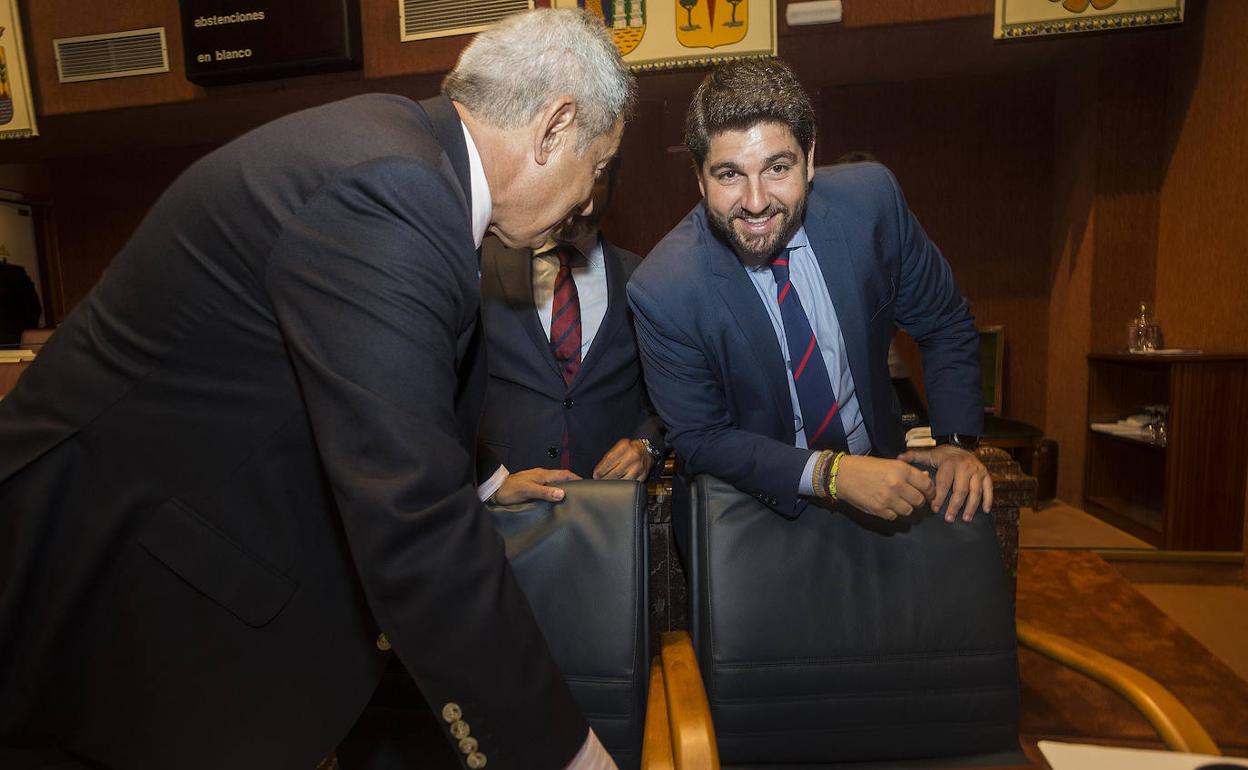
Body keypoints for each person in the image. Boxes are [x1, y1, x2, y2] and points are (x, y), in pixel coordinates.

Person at [0, 9, 632, 770]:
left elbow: (381, 386)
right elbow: (414, 522)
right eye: (598, 168)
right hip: (101, 589)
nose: (592, 202)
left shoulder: (403, 156)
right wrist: (565, 754)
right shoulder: (392, 190)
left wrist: (486, 476)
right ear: (555, 127)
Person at [627, 58, 990, 537]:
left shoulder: (871, 204)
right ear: (699, 178)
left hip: (879, 485)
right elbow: (702, 438)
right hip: (744, 512)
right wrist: (831, 474)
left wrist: (957, 442)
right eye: (729, 175)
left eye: (777, 168)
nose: (756, 202)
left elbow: (944, 322)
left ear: (811, 157)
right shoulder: (664, 286)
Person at [477, 163, 664, 505]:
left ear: (613, 183)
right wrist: (489, 480)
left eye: (597, 173)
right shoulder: (479, 263)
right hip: (497, 518)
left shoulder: (643, 278)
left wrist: (646, 446)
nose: (581, 194)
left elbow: (664, 400)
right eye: (567, 170)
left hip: (605, 513)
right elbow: (438, 393)